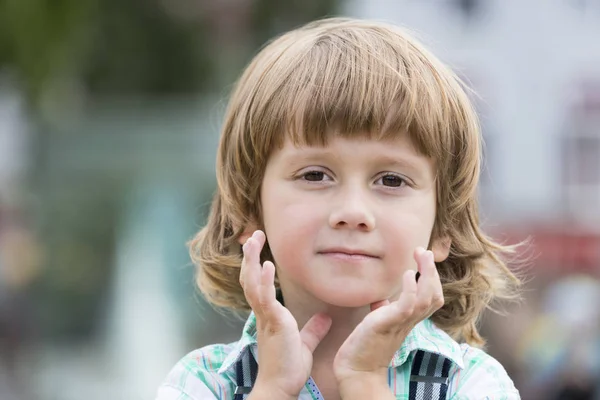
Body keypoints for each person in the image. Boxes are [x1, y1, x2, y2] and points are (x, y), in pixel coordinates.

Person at [156, 17, 522, 400]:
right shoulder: (204, 382)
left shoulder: (471, 384)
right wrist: (274, 389)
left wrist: (365, 381)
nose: (352, 211)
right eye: (315, 175)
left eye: (391, 180)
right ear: (249, 210)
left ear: (443, 228)